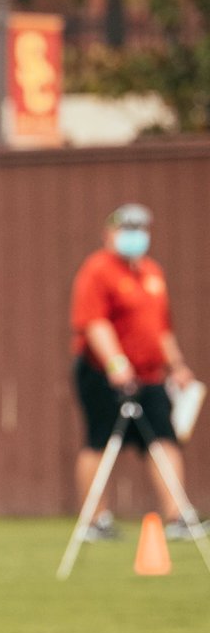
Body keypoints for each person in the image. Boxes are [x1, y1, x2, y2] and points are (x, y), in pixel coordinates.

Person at [70, 202, 204, 542]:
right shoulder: (98, 269)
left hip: (150, 375)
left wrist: (177, 365)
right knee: (100, 441)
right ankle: (95, 520)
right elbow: (94, 322)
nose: (134, 236)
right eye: (125, 229)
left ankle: (178, 517)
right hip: (102, 373)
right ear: (108, 233)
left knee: (164, 439)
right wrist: (116, 363)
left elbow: (161, 328)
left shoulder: (151, 272)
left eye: (140, 229)